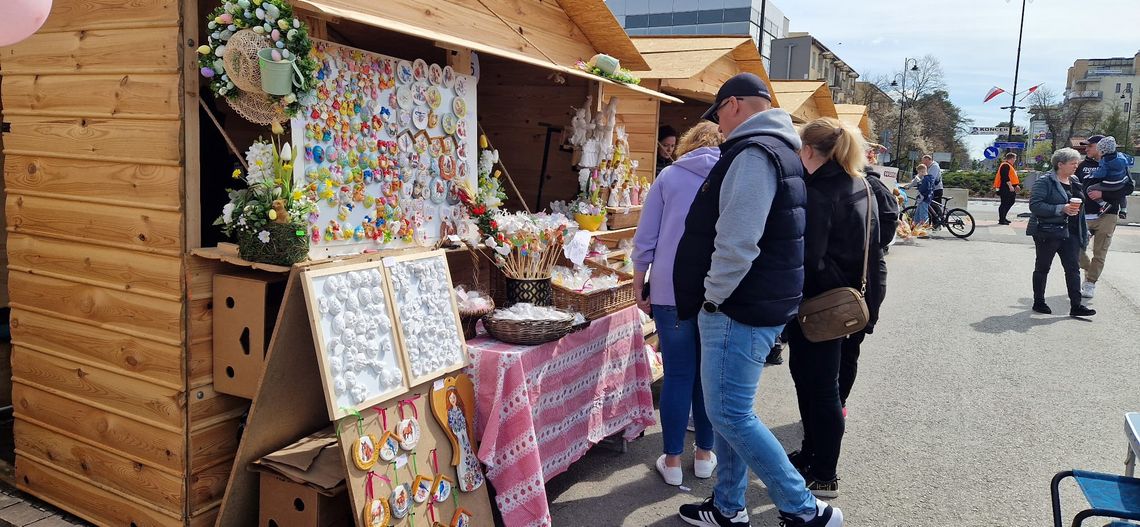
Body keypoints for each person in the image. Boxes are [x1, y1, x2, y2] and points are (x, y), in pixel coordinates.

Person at [674, 73, 843, 527]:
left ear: (732, 106)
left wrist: (712, 298)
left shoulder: (753, 153)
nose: (719, 128)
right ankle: (729, 505)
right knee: (729, 412)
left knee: (729, 413)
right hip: (757, 302)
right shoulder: (780, 149)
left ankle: (805, 508)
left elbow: (738, 242)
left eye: (719, 117)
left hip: (737, 306)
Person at [784, 118, 877, 500]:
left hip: (822, 304)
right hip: (848, 299)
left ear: (808, 150)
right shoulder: (859, 182)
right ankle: (811, 454)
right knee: (819, 386)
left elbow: (810, 256)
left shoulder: (821, 190)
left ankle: (825, 473)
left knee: (819, 390)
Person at [632, 121, 723, 486]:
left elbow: (645, 239)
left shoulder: (669, 177)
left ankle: (670, 460)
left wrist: (640, 285)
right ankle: (704, 454)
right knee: (707, 377)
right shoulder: (731, 174)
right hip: (716, 291)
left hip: (670, 290)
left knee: (677, 377)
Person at [837, 144, 899, 417]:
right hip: (868, 276)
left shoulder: (869, 184)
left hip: (863, 278)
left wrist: (864, 246)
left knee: (847, 347)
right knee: (846, 348)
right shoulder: (869, 184)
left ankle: (837, 403)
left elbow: (888, 224)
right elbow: (889, 223)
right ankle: (835, 404)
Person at [1027, 148, 1096, 318]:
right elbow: (1035, 206)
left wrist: (1083, 229)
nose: (1076, 166)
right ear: (1060, 164)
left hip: (1070, 232)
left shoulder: (1074, 180)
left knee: (1073, 269)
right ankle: (1039, 302)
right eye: (1073, 163)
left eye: (1077, 163)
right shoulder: (1045, 181)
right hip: (1048, 232)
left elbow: (1081, 208)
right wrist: (1061, 208)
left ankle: (1076, 305)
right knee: (1043, 268)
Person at [1077, 135, 1132, 299]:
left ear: (1099, 148)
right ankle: (1088, 268)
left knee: (1099, 252)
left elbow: (1128, 187)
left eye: (1089, 146)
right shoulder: (1081, 165)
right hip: (1084, 214)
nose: (1086, 149)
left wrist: (1104, 193)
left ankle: (1090, 283)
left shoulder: (1117, 162)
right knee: (1075, 249)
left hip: (1108, 214)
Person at [994, 152, 1021, 224]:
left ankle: (1003, 217)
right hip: (1005, 187)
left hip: (1009, 187)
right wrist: (1010, 186)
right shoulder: (1005, 165)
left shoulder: (1009, 165)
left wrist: (1015, 185)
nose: (1015, 160)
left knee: (1010, 202)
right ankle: (1002, 219)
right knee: (1005, 203)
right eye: (1014, 158)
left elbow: (1011, 177)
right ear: (1011, 158)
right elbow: (1005, 177)